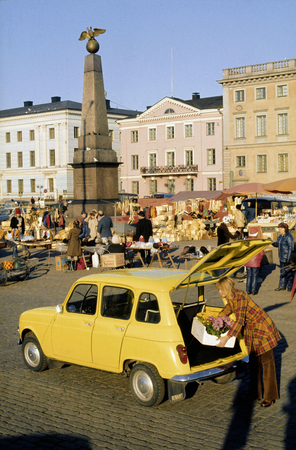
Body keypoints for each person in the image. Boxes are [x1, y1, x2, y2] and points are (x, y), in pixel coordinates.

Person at [216, 277, 281, 407]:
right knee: (253, 363)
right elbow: (227, 310)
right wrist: (214, 319)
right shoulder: (231, 298)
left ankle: (270, 396)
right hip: (251, 330)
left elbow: (239, 320)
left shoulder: (240, 297)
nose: (219, 292)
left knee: (267, 364)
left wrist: (226, 337)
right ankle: (254, 394)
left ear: (226, 289)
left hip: (263, 328)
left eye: (220, 289)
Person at [272, 222, 294, 292]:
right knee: (282, 272)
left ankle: (290, 286)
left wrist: (288, 258)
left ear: (285, 229)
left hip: (287, 257)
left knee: (289, 273)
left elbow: (291, 247)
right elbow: (277, 244)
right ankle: (282, 286)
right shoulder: (280, 236)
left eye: (281, 228)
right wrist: (272, 243)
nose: (280, 230)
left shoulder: (289, 236)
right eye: (279, 228)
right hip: (281, 257)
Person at [245, 228, 264, 295]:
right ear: (256, 233)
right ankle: (254, 290)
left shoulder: (246, 241)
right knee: (255, 276)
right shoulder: (259, 241)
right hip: (256, 261)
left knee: (249, 275)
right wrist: (260, 260)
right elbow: (262, 253)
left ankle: (248, 290)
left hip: (248, 261)